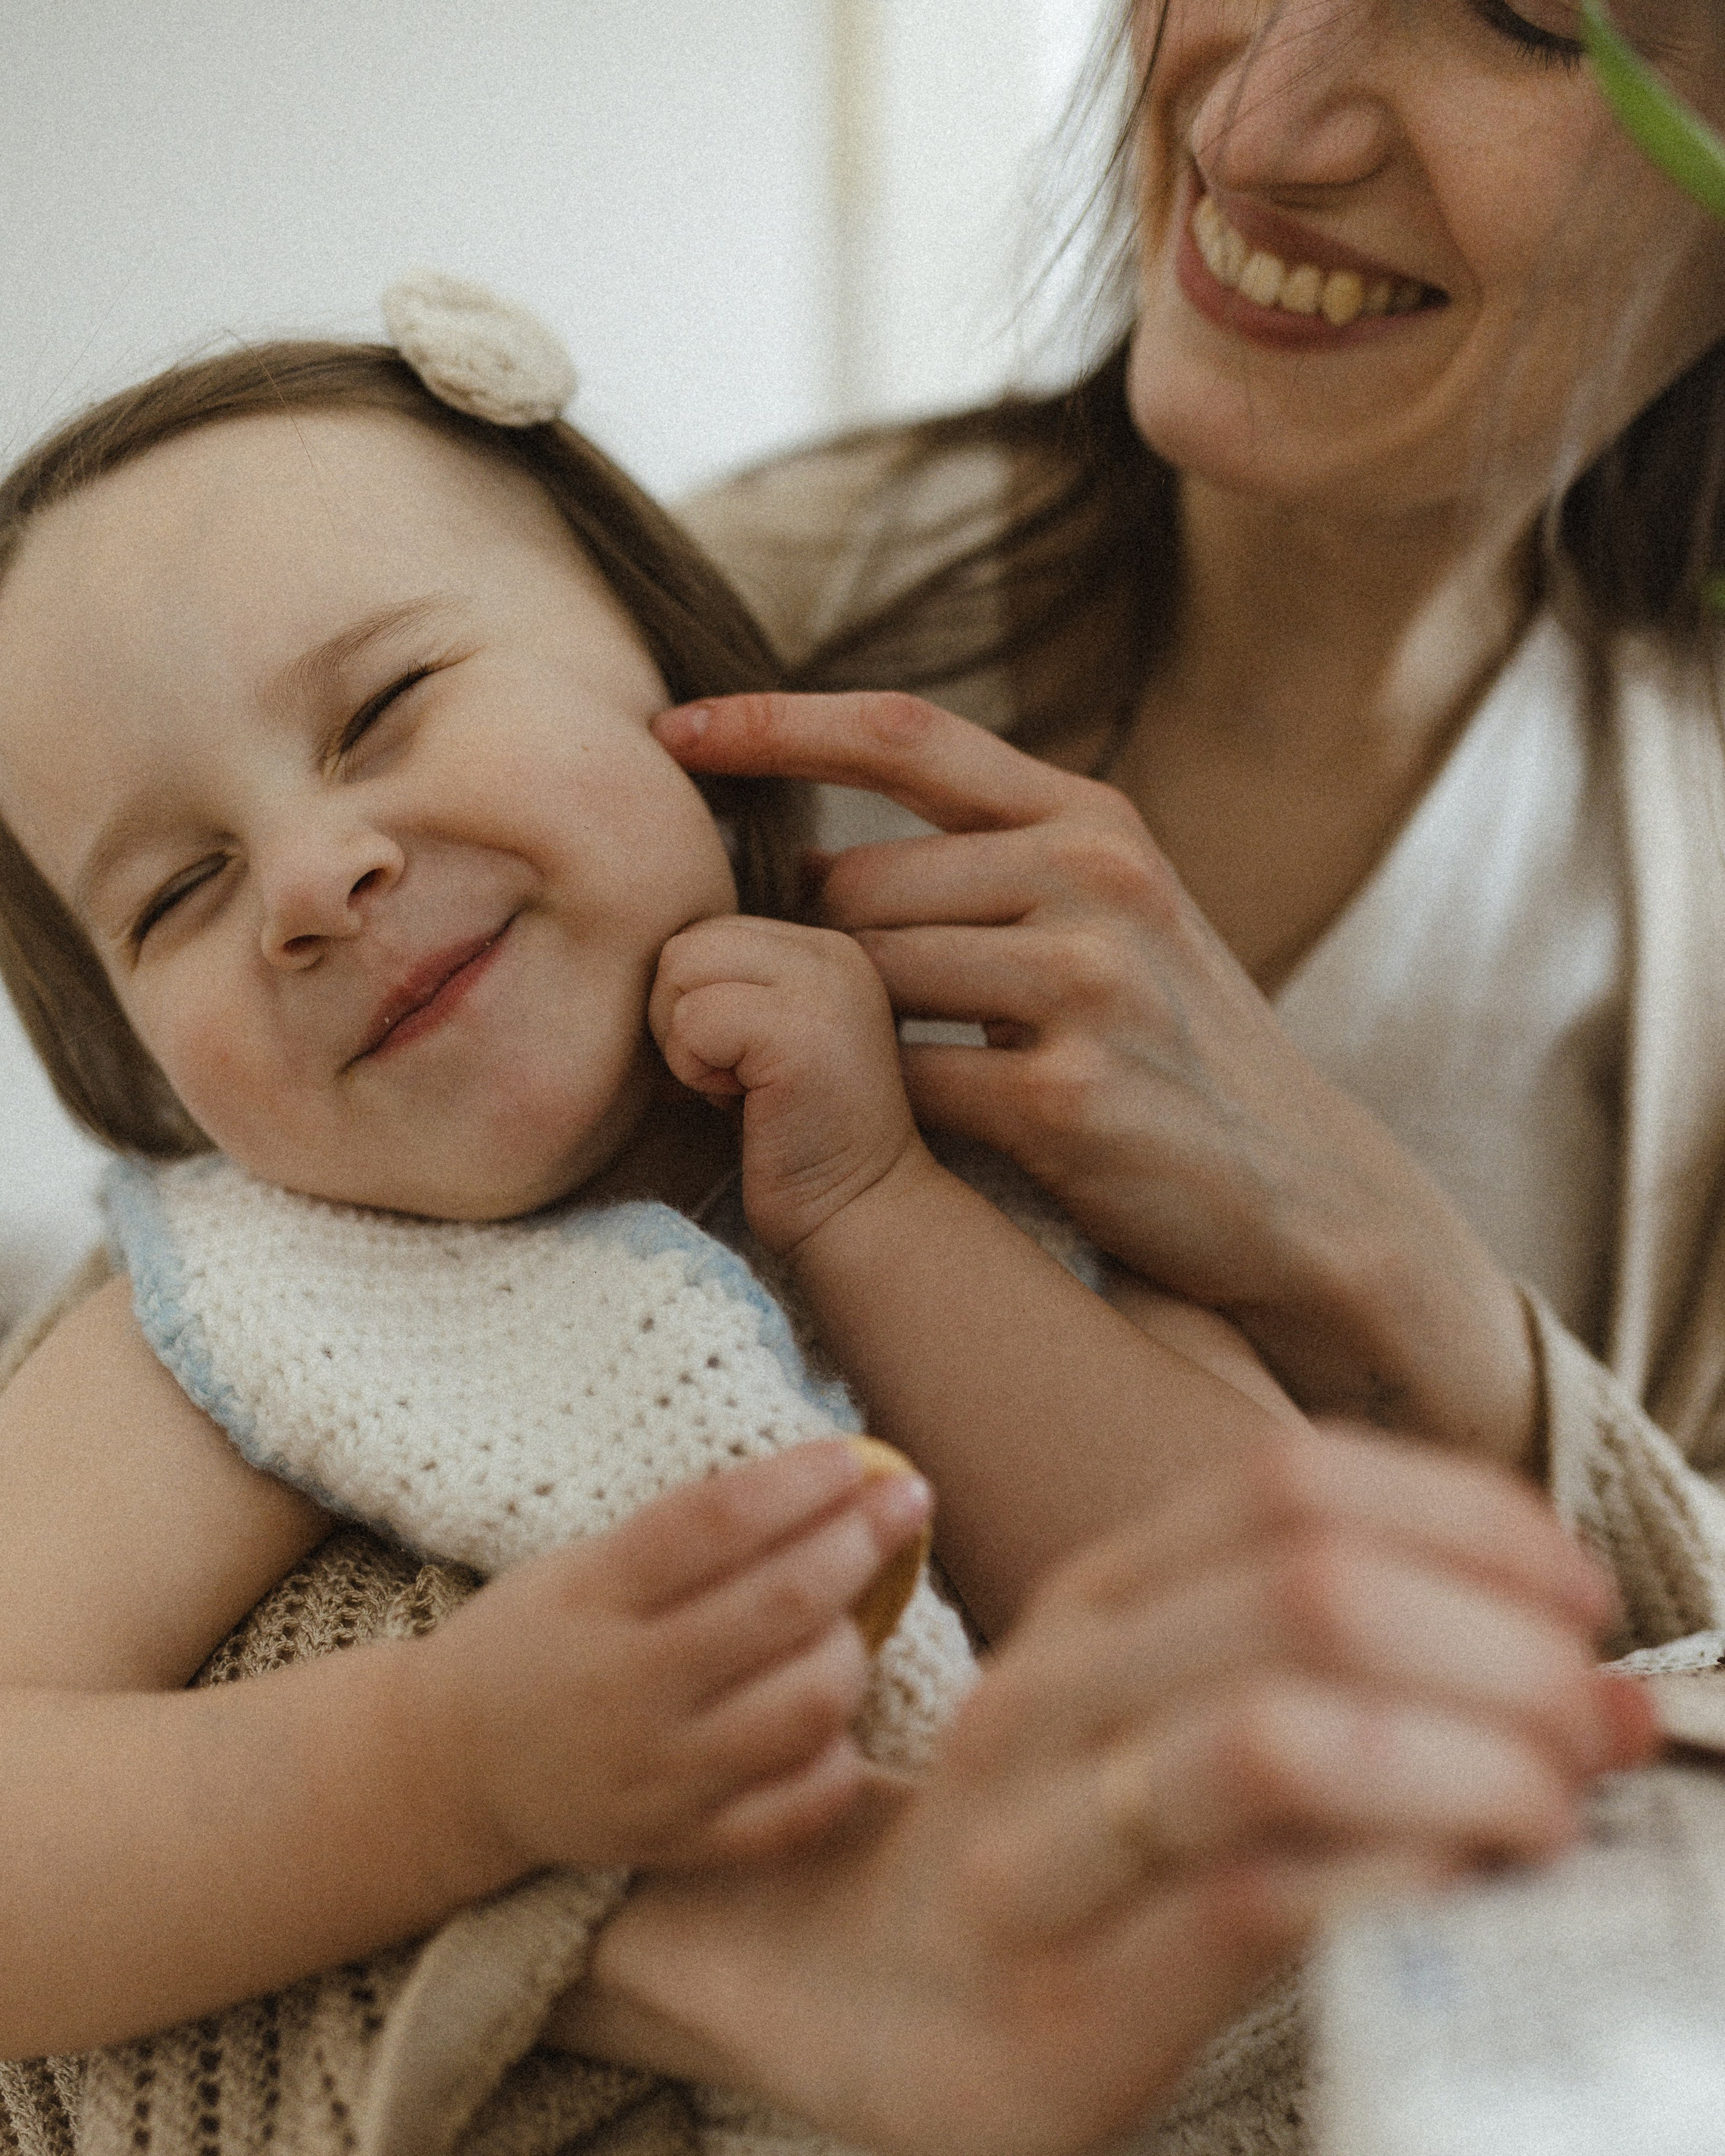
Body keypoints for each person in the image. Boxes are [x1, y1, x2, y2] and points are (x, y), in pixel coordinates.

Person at [0, 294, 1643, 2156]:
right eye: (176, 892)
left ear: (680, 681)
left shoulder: (980, 1114)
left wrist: (880, 1212)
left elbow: (1263, 1598)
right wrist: (446, 1767)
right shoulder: (241, 1300)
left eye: (381, 712)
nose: (308, 879)